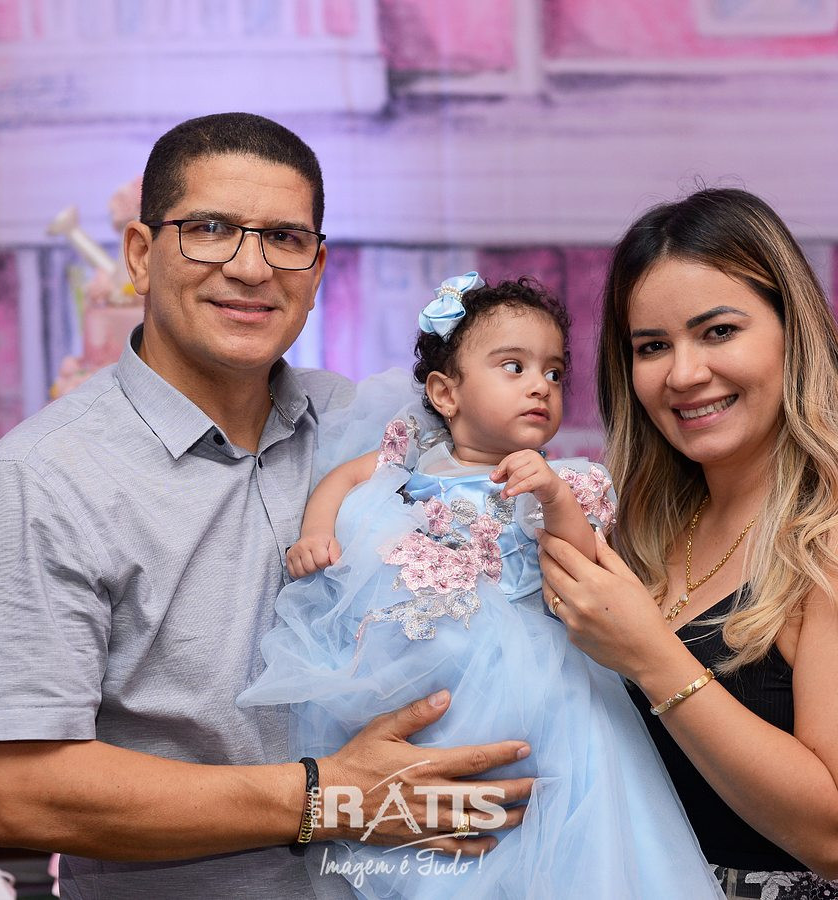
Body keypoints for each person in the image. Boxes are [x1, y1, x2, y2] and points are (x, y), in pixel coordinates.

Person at [0, 113, 532, 899]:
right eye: (210, 230)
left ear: (316, 270)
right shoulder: (41, 480)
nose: (251, 268)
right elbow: (17, 793)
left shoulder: (372, 427)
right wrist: (327, 796)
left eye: (284, 239)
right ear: (140, 254)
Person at [239, 273, 723, 898]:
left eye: (554, 373)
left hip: (540, 677)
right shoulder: (411, 459)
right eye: (514, 367)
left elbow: (583, 563)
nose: (540, 387)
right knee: (435, 819)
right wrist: (316, 532)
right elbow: (342, 480)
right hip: (434, 667)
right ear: (446, 393)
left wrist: (553, 497)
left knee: (546, 821)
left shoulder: (565, 480)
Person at [538, 188, 838, 899]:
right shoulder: (636, 537)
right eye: (652, 346)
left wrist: (651, 657)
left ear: (791, 333)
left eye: (717, 331)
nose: (683, 374)